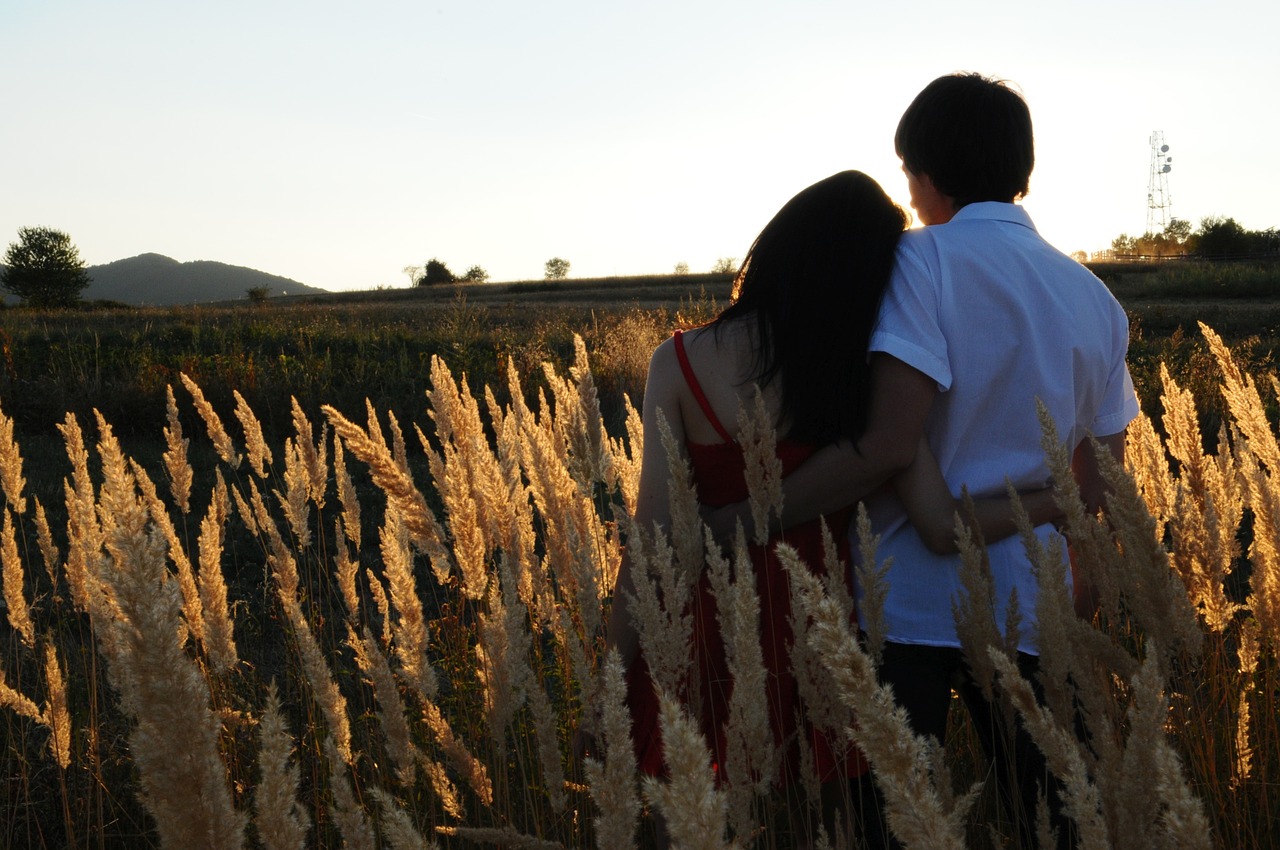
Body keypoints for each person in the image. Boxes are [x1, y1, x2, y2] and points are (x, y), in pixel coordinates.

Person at [708, 74, 1141, 849]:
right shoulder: (1095, 299)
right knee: (1054, 823)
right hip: (1033, 605)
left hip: (904, 600)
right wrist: (1010, 512)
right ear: (1022, 170)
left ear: (924, 173)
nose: (908, 197)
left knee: (892, 826)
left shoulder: (919, 262)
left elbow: (887, 443)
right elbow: (1098, 483)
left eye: (908, 175)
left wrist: (745, 519)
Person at [603, 170, 1065, 848]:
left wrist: (611, 673)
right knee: (836, 828)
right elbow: (925, 501)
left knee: (693, 821)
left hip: (702, 632)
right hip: (830, 627)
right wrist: (1064, 497)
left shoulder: (678, 363)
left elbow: (654, 541)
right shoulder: (866, 377)